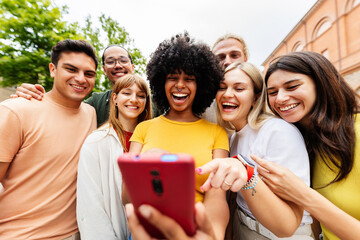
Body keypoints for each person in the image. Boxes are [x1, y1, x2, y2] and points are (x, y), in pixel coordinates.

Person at [127, 32, 230, 240]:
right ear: (161, 84)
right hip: (147, 231)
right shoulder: (144, 129)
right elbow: (126, 195)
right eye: (172, 78)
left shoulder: (216, 132)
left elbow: (217, 193)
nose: (180, 85)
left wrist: (212, 233)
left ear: (200, 85)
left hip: (195, 231)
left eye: (189, 79)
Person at [254, 51, 360, 240]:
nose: (280, 98)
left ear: (321, 84)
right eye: (272, 92)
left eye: (292, 86)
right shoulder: (304, 142)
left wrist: (301, 194)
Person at [0, 39, 98, 239]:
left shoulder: (91, 113)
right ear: (53, 69)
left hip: (75, 233)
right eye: (71, 69)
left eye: (89, 74)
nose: (81, 78)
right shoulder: (17, 110)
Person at [213, 61, 313, 239]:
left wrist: (246, 175)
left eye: (239, 88)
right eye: (222, 87)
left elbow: (287, 224)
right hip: (243, 228)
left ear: (256, 98)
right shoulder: (234, 137)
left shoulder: (277, 131)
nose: (227, 94)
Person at [76, 74, 152, 240]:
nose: (134, 99)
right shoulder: (97, 141)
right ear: (115, 98)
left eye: (141, 95)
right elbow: (90, 204)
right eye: (127, 93)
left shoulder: (153, 141)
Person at [11, 44, 135, 127]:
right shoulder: (95, 103)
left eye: (123, 60)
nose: (118, 65)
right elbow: (65, 107)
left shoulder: (152, 101)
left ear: (132, 67)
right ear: (103, 69)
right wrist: (34, 95)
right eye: (110, 61)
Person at [203, 33, 249, 123]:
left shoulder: (264, 96)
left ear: (245, 59)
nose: (227, 62)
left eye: (234, 55)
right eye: (221, 57)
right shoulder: (202, 105)